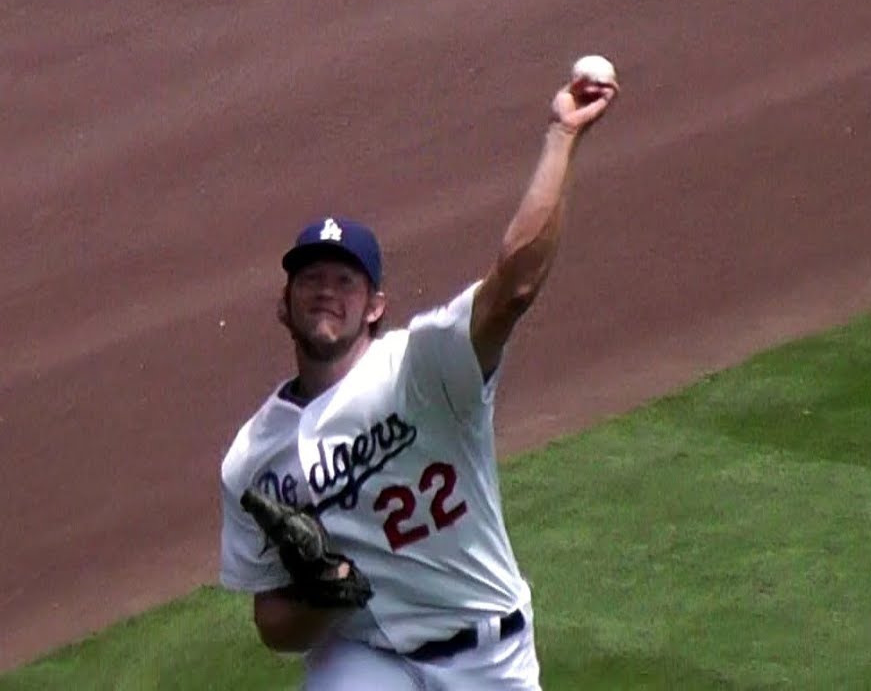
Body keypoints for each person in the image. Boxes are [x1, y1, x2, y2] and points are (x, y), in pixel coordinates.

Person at [217, 67, 620, 690]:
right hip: (367, 654)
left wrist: (561, 136)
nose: (326, 291)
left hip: (488, 655)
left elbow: (512, 288)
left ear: (376, 305)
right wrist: (322, 598)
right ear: (285, 301)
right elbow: (271, 623)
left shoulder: (421, 369)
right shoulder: (252, 459)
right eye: (311, 279)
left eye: (344, 280)